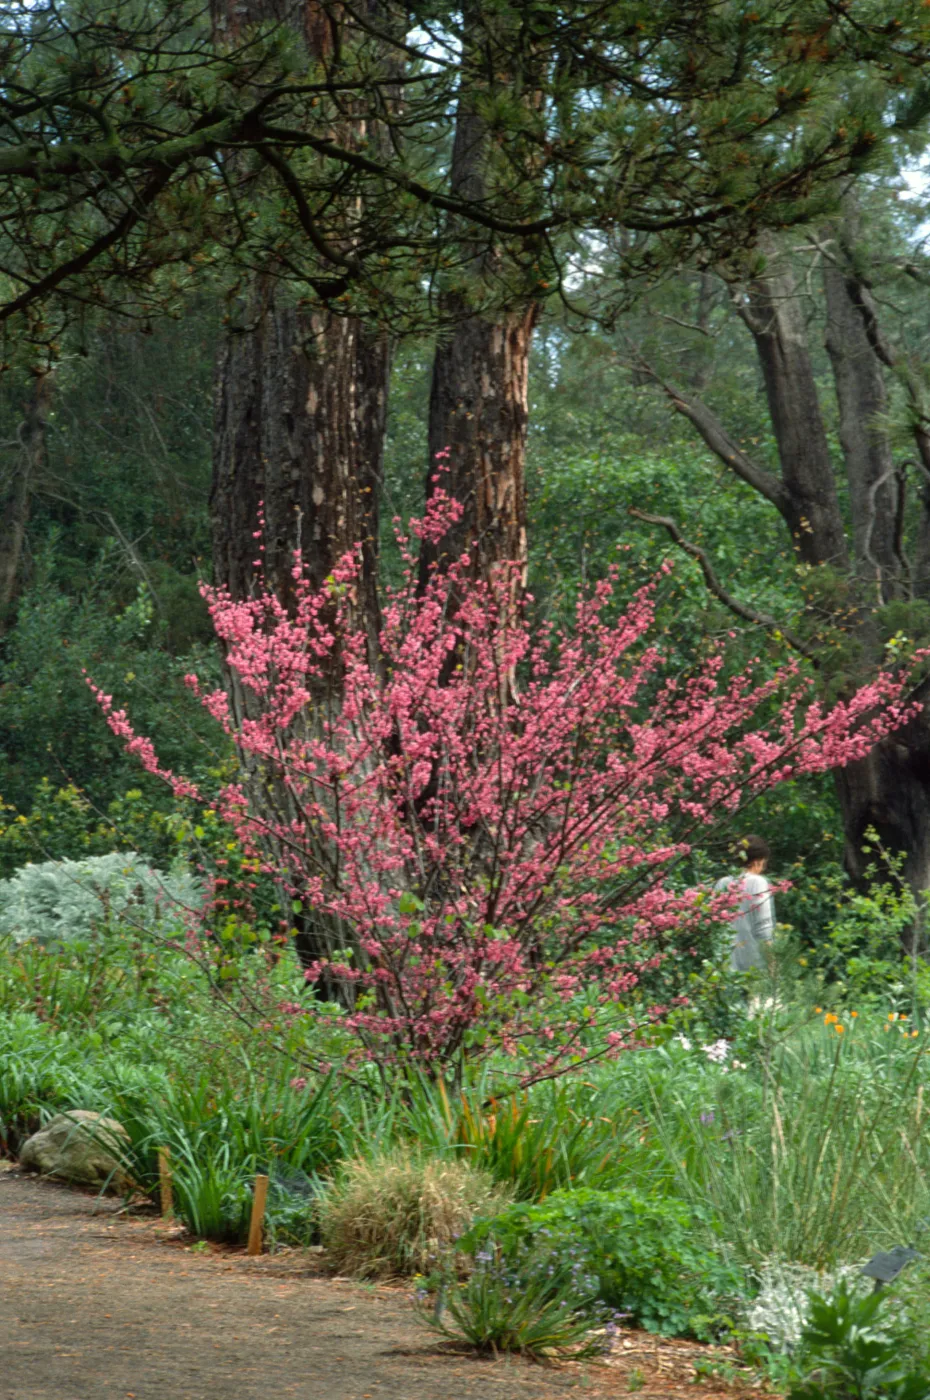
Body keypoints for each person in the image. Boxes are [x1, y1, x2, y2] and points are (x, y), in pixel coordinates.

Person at [715, 836, 775, 973]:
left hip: (724, 968)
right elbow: (764, 928)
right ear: (758, 861)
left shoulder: (722, 883)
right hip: (754, 966)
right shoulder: (758, 882)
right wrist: (772, 964)